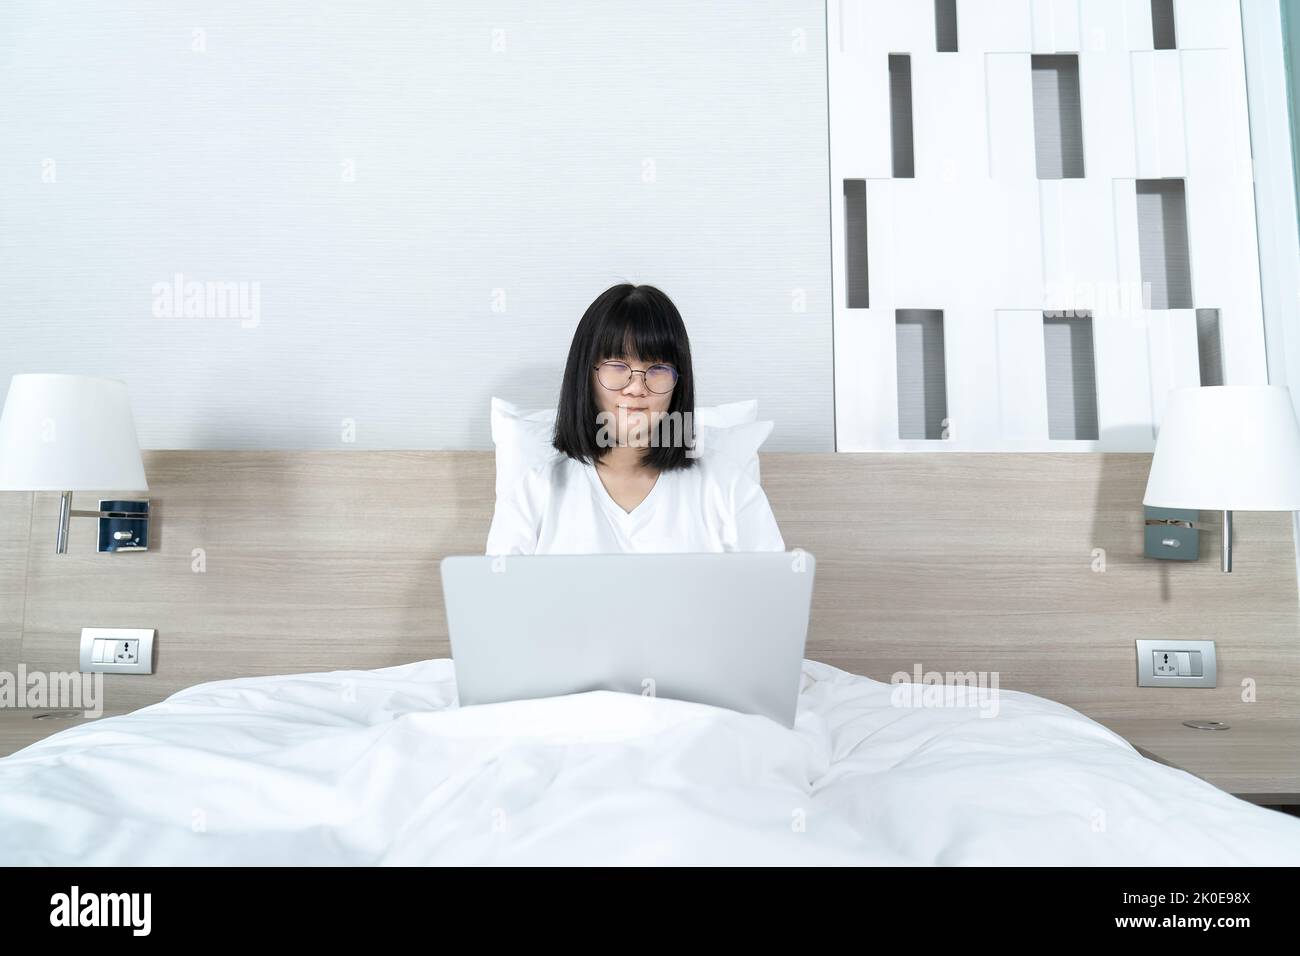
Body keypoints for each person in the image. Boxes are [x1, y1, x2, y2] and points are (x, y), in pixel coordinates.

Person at [485, 283, 785, 555]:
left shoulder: (726, 486)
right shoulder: (536, 492)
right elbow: (497, 608)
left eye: (657, 368)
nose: (637, 388)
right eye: (618, 365)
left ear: (678, 382)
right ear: (586, 376)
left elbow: (773, 603)